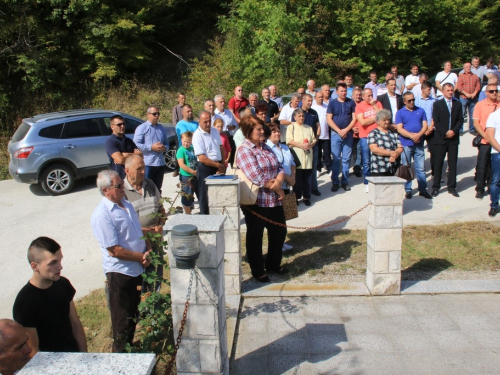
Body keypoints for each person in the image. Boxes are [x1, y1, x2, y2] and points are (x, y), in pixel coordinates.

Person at [91, 170, 151, 352]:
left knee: (134, 313)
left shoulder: (125, 203)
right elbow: (114, 250)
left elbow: (136, 229)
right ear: (106, 190)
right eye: (118, 186)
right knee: (122, 319)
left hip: (137, 268)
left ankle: (129, 346)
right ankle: (120, 356)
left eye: (121, 184)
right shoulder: (102, 215)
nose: (123, 188)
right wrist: (141, 257)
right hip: (121, 273)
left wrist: (147, 248)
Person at [13, 237, 87, 354]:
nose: (60, 267)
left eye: (59, 260)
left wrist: (84, 355)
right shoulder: (24, 302)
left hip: (73, 356)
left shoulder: (62, 283)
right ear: (35, 266)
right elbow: (32, 351)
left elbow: (75, 323)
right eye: (53, 263)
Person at [237, 115, 287, 282]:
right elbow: (256, 177)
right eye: (258, 129)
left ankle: (273, 263)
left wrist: (279, 180)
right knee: (255, 237)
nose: (262, 131)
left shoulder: (266, 146)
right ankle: (258, 270)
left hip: (275, 200)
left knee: (279, 232)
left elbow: (280, 166)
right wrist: (279, 188)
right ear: (248, 131)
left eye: (261, 128)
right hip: (257, 202)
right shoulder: (244, 150)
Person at [123, 155, 166, 291]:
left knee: (157, 275)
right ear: (127, 171)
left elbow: (161, 209)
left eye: (144, 167)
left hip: (156, 239)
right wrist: (146, 232)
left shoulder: (151, 185)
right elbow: (126, 224)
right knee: (140, 282)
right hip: (138, 245)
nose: (143, 171)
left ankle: (155, 303)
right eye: (139, 169)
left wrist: (161, 224)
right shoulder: (122, 193)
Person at [395, 92, 432, 199]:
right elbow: (399, 128)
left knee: (420, 168)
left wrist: (419, 135)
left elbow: (425, 125)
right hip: (406, 144)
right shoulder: (400, 112)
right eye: (409, 100)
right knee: (406, 168)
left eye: (413, 100)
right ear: (404, 101)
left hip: (419, 143)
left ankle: (422, 189)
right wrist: (412, 136)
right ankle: (408, 189)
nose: (412, 102)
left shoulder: (420, 110)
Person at [266, 122, 296, 252]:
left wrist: (293, 177)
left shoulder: (285, 147)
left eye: (278, 131)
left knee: (284, 216)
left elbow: (293, 163)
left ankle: (282, 241)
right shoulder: (267, 148)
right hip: (276, 187)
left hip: (287, 185)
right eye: (274, 131)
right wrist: (287, 178)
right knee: (275, 219)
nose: (277, 133)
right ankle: (275, 244)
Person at [431, 83, 463, 197]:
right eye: (448, 90)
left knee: (452, 163)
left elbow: (460, 120)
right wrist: (445, 132)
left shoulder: (458, 104)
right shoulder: (437, 104)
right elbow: (436, 120)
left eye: (451, 90)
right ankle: (436, 186)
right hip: (441, 138)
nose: (450, 92)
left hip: (453, 138)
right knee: (438, 163)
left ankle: (452, 187)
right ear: (443, 92)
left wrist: (453, 131)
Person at [192, 111, 225, 214]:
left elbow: (221, 147)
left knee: (218, 194)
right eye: (205, 122)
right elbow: (202, 158)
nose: (207, 124)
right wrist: (218, 165)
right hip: (205, 167)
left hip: (218, 164)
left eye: (209, 121)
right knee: (205, 196)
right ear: (199, 122)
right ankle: (205, 219)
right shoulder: (197, 135)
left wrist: (222, 164)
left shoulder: (214, 131)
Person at [327, 83, 356, 192]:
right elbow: (329, 119)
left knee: (346, 159)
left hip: (348, 134)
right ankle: (335, 181)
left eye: (345, 91)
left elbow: (354, 118)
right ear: (337, 92)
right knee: (336, 159)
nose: (344, 93)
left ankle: (345, 181)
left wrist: (346, 130)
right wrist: (339, 131)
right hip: (335, 134)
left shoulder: (351, 102)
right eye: (341, 91)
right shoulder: (332, 103)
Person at [472, 84, 499, 198]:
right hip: (484, 140)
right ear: (486, 92)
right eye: (491, 91)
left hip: (496, 141)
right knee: (482, 165)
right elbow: (476, 123)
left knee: (493, 166)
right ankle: (480, 188)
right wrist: (485, 136)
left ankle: (491, 186)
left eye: (496, 91)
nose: (494, 93)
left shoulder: (498, 105)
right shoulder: (480, 105)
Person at [133, 106, 169, 192]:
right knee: (147, 189)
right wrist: (151, 147)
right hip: (148, 164)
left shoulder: (161, 128)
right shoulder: (142, 128)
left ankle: (157, 205)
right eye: (154, 114)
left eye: (158, 114)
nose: (157, 116)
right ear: (148, 115)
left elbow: (167, 144)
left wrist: (164, 148)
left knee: (157, 189)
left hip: (160, 163)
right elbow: (136, 144)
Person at [287, 108, 317, 206]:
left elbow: (314, 140)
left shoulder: (308, 128)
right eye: (299, 116)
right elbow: (289, 141)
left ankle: (307, 197)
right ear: (295, 117)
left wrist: (310, 144)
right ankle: (296, 197)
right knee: (297, 179)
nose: (301, 118)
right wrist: (300, 145)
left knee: (307, 178)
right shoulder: (291, 127)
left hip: (308, 157)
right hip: (297, 157)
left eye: (303, 116)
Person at [292, 94, 321, 195]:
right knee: (300, 172)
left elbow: (318, 127)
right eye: (308, 101)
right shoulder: (298, 112)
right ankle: (299, 194)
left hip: (312, 144)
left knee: (312, 167)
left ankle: (313, 189)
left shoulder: (314, 112)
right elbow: (293, 127)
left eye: (311, 101)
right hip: (299, 147)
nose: (310, 103)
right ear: (302, 101)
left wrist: (315, 140)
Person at [355, 88, 382, 192]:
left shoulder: (377, 103)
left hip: (378, 135)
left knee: (377, 159)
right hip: (365, 135)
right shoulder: (359, 106)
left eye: (371, 95)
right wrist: (376, 119)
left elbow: (382, 116)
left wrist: (374, 105)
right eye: (368, 96)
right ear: (363, 96)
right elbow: (362, 122)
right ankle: (367, 182)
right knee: (366, 161)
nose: (370, 97)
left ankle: (376, 180)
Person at [368, 109, 403, 176]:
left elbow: (400, 147)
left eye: (388, 120)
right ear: (377, 121)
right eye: (384, 120)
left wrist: (394, 155)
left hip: (393, 167)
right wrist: (390, 153)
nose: (387, 122)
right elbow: (374, 149)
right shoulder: (373, 133)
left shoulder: (393, 133)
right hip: (379, 168)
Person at [415, 81, 437, 176]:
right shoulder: (416, 101)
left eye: (431, 89)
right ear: (423, 89)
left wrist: (431, 126)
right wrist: (424, 129)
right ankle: (421, 172)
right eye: (428, 89)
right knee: (419, 153)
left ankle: (434, 173)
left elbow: (435, 115)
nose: (430, 91)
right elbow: (415, 116)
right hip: (420, 130)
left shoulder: (434, 101)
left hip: (431, 129)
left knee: (434, 152)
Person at [176, 132, 198, 214]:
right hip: (186, 176)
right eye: (185, 141)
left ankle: (191, 207)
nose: (186, 143)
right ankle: (188, 214)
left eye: (188, 141)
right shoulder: (181, 150)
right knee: (186, 196)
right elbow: (181, 164)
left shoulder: (192, 149)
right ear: (181, 140)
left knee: (193, 194)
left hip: (195, 175)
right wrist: (193, 172)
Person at [457, 62, 481, 134]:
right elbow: (459, 88)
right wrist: (466, 94)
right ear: (464, 68)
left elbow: (478, 86)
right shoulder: (461, 76)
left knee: (472, 114)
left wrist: (474, 93)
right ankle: (460, 130)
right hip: (463, 97)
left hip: (473, 98)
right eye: (466, 67)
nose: (468, 68)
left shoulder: (475, 76)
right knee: (462, 114)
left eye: (469, 67)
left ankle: (472, 129)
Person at [214, 94, 238, 166]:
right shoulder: (214, 114)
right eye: (221, 102)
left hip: (229, 137)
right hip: (219, 138)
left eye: (224, 102)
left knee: (231, 156)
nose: (223, 103)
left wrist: (232, 127)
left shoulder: (229, 113)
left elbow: (235, 124)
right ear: (216, 103)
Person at [486, 108, 500, 217]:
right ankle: (494, 205)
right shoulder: (494, 116)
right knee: (496, 181)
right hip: (497, 153)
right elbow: (490, 137)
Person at [312, 91, 331, 174]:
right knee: (318, 153)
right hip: (316, 135)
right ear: (315, 98)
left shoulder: (327, 107)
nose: (320, 98)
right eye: (319, 97)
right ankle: (318, 169)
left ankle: (329, 168)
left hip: (326, 134)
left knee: (327, 153)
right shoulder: (313, 108)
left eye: (322, 97)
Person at [351, 87, 363, 177]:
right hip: (351, 132)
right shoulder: (350, 105)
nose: (358, 96)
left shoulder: (363, 104)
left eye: (360, 95)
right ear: (353, 96)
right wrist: (352, 128)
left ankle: (357, 168)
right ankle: (354, 164)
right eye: (356, 95)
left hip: (361, 132)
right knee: (352, 150)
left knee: (359, 149)